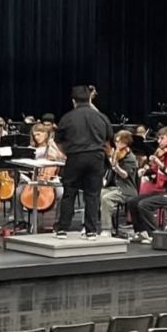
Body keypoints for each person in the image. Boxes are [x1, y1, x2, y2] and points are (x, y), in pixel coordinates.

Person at [55, 84, 111, 239]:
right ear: (89, 99)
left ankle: (62, 229)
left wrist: (67, 153)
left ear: (74, 101)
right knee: (92, 195)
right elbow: (108, 138)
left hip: (75, 156)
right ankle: (91, 231)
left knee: (69, 192)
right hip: (96, 158)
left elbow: (58, 140)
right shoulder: (101, 117)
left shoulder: (67, 117)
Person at [126, 126, 167, 244]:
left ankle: (154, 234)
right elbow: (155, 169)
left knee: (144, 205)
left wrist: (159, 164)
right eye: (159, 138)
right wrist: (145, 171)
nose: (159, 141)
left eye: (162, 138)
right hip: (160, 190)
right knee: (132, 202)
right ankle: (141, 233)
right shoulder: (163, 153)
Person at [100, 130, 139, 236]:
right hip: (117, 187)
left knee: (106, 198)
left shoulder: (130, 158)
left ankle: (106, 229)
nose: (117, 144)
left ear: (126, 143)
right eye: (116, 142)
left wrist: (116, 167)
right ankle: (94, 225)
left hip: (127, 190)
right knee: (98, 193)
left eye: (119, 142)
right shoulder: (117, 154)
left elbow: (125, 175)